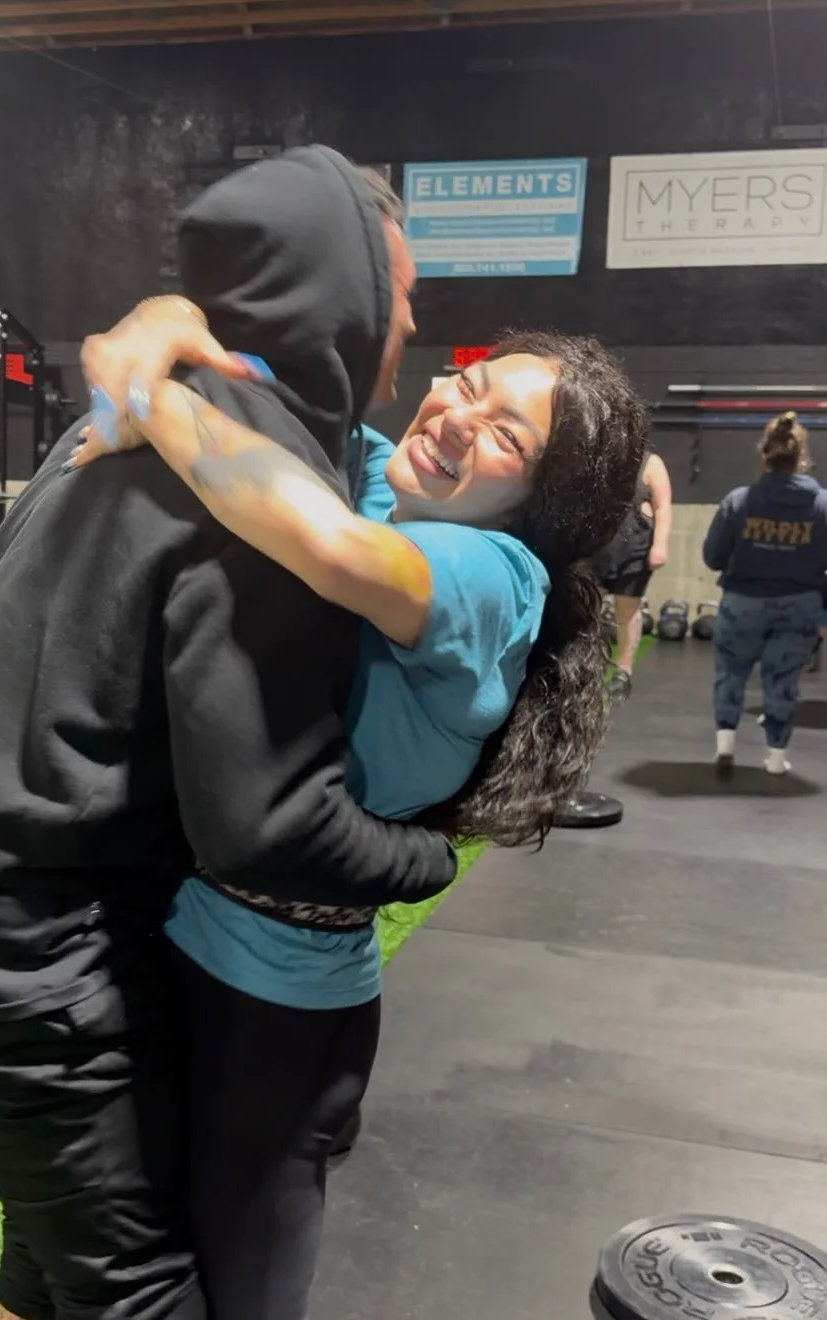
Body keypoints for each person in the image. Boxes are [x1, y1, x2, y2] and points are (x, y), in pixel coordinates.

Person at [0, 147, 459, 1320]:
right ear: (345, 292)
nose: (414, 321)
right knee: (135, 1284)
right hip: (16, 933)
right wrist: (433, 848)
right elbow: (265, 827)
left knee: (56, 1234)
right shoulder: (248, 484)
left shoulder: (142, 411)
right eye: (404, 291)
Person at [70, 321, 649, 1319]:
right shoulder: (401, 488)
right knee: (109, 1253)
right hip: (197, 944)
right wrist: (162, 320)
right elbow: (283, 423)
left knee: (242, 1290)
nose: (457, 416)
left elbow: (328, 542)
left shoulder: (490, 571)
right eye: (466, 383)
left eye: (505, 433)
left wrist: (145, 395)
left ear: (541, 502)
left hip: (276, 1011)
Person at [703, 410, 827, 775]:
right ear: (802, 459)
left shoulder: (738, 501)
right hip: (799, 605)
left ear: (764, 456)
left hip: (743, 603)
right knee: (783, 682)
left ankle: (725, 746)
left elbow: (712, 557)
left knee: (730, 674)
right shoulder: (822, 505)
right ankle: (775, 759)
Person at [591, 450, 673, 700]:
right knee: (586, 612)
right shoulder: (599, 455)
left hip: (636, 546)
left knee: (626, 610)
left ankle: (623, 672)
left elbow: (663, 505)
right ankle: (586, 670)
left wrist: (660, 545)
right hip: (596, 547)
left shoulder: (651, 463)